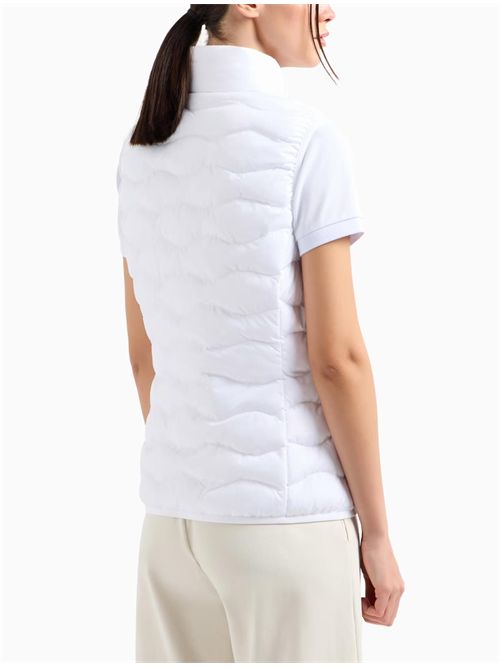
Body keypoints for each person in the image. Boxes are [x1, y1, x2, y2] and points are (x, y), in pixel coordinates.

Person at [116, 3, 405, 663]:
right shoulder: (306, 142)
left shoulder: (141, 150)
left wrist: (203, 470)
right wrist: (378, 535)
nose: (328, 12)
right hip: (287, 531)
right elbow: (338, 359)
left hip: (172, 529)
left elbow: (143, 357)